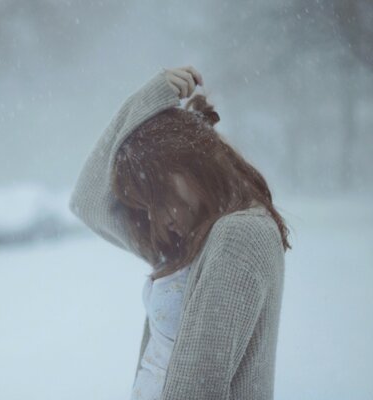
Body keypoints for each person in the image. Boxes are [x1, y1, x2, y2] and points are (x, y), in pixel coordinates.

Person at [68, 66, 290, 400]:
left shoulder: (239, 235)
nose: (156, 217)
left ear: (188, 165)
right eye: (146, 206)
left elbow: (198, 388)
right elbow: (88, 201)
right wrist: (144, 102)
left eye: (159, 196)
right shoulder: (186, 239)